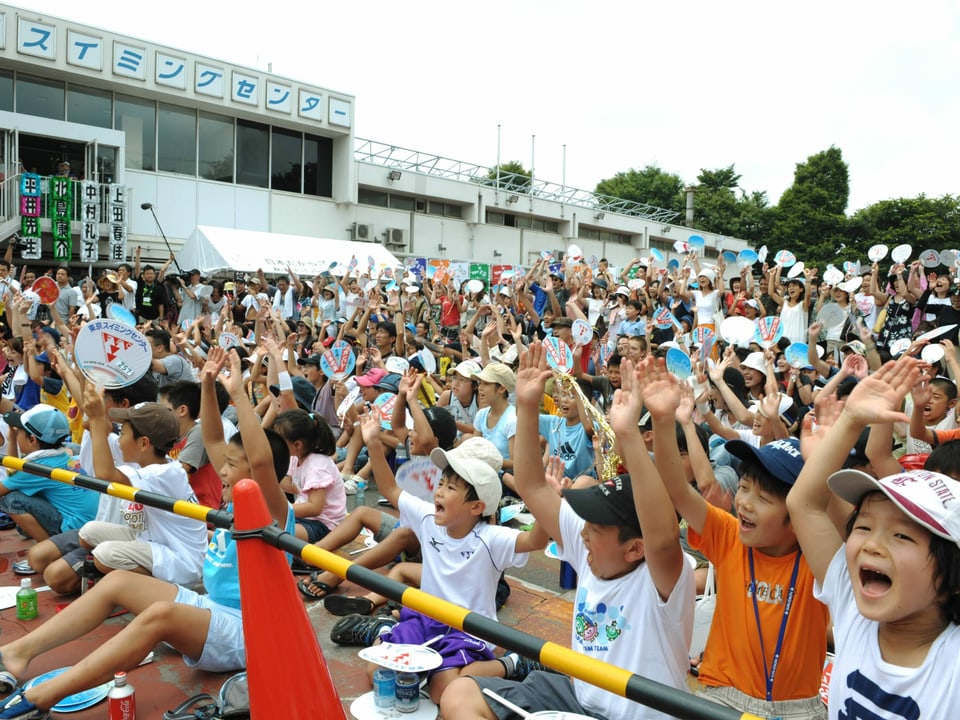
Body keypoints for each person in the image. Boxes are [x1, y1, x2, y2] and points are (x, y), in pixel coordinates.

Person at [0, 349, 293, 719]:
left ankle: (38, 698)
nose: (222, 471)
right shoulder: (232, 494)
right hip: (214, 609)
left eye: (232, 466)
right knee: (118, 581)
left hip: (248, 632)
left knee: (160, 616)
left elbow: (261, 460)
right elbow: (216, 439)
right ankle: (17, 653)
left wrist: (238, 395)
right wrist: (208, 381)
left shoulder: (273, 509)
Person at [441, 347, 696, 720]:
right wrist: (526, 405)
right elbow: (531, 485)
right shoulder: (591, 549)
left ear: (634, 548)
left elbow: (661, 534)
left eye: (595, 527)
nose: (583, 534)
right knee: (459, 695)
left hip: (636, 716)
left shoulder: (664, 580)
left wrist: (629, 433)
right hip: (577, 698)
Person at [651, 361, 829, 719]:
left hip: (796, 709)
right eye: (744, 488)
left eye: (763, 498)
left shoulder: (819, 560)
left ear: (798, 517)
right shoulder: (728, 535)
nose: (744, 502)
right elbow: (676, 489)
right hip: (722, 696)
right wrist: (663, 421)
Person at [788, 356, 960, 719]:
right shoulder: (853, 607)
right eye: (863, 526)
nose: (870, 544)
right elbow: (804, 504)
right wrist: (850, 420)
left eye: (901, 535)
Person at [354, 409, 546, 705]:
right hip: (426, 617)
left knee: (443, 691)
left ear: (476, 507)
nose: (439, 493)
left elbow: (535, 540)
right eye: (441, 484)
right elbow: (390, 488)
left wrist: (545, 497)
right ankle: (387, 631)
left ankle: (512, 663)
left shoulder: (491, 539)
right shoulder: (429, 518)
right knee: (377, 672)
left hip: (469, 628)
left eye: (451, 488)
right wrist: (373, 444)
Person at [76, 392, 207, 585]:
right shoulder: (153, 464)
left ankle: (159, 587)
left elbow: (105, 474)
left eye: (123, 434)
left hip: (182, 558)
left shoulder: (162, 473)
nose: (119, 440)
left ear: (144, 443)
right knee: (88, 533)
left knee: (104, 556)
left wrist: (96, 419)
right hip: (154, 539)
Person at [0, 405, 97, 541]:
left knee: (12, 500)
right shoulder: (64, 456)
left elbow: (5, 485)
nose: (17, 433)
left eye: (20, 430)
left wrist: (11, 440)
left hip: (75, 529)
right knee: (22, 525)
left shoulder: (36, 467)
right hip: (90, 524)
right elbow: (15, 470)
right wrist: (12, 439)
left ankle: (49, 548)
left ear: (32, 439)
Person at [273, 408, 346, 542]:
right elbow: (290, 484)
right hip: (306, 518)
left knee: (278, 533)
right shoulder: (296, 457)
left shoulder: (317, 466)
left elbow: (315, 508)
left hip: (325, 525)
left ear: (298, 444)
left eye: (280, 441)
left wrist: (282, 508)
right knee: (267, 525)